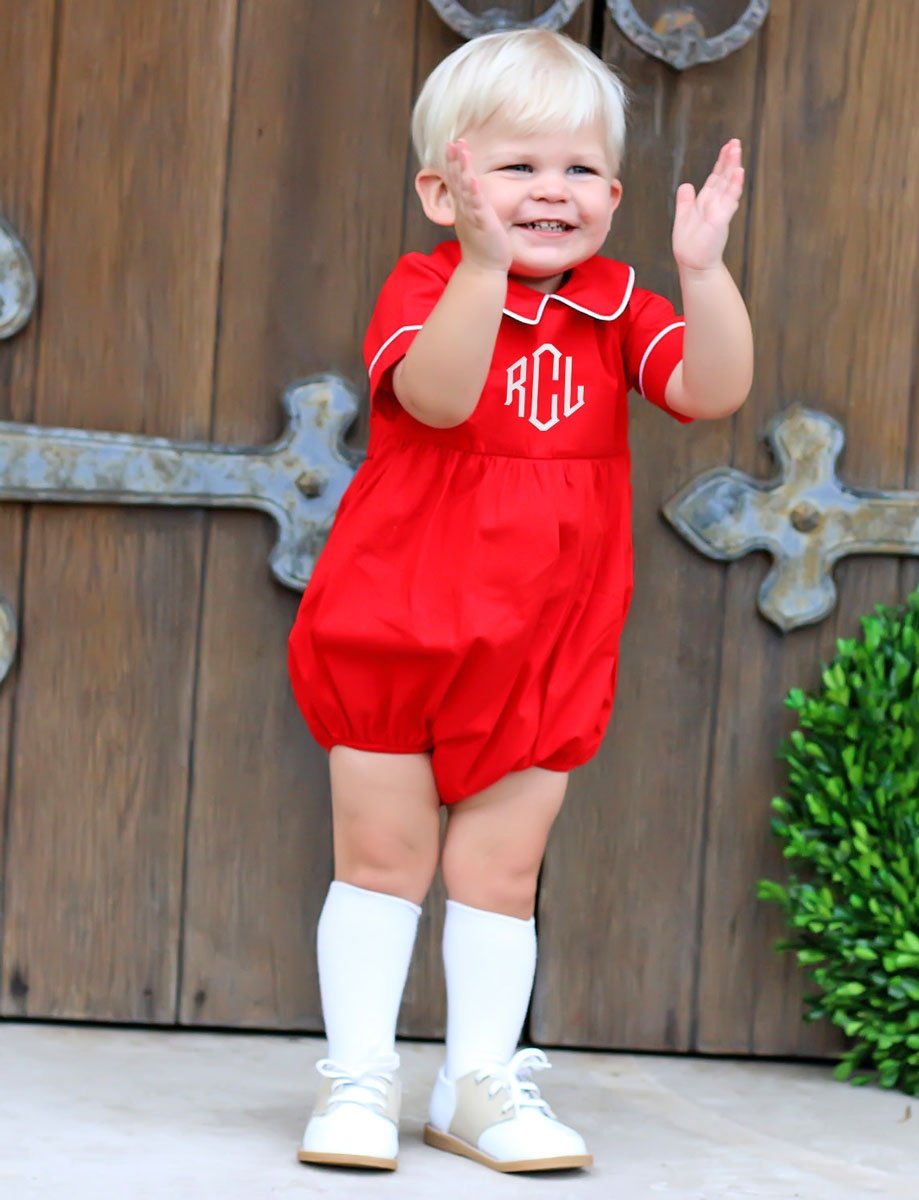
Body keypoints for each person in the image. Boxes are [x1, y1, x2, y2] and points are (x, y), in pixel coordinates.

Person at [286, 27, 753, 1176]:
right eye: (518, 168)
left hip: (545, 634)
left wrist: (701, 271)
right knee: (383, 853)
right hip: (398, 615)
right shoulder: (428, 287)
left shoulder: (617, 305)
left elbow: (712, 388)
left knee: (500, 871)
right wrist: (486, 274)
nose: (553, 191)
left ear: (613, 195)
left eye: (580, 170)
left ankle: (478, 1082)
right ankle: (358, 1078)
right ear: (445, 192)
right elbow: (439, 402)